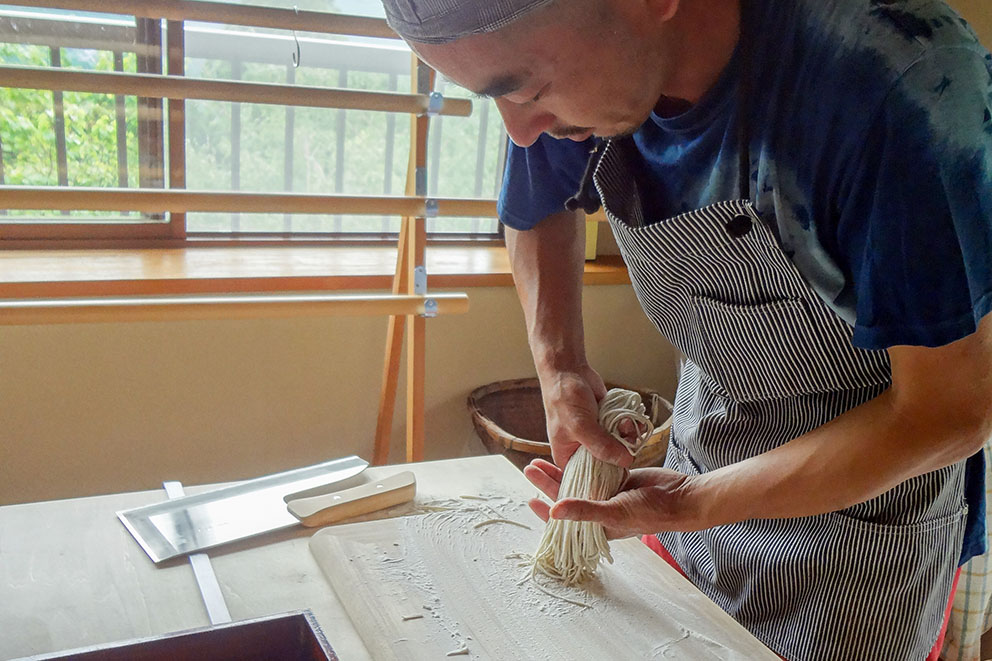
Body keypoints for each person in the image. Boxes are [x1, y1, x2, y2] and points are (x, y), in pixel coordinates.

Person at [380, 0, 992, 658]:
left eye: (524, 89)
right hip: (702, 450)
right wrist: (559, 366)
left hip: (862, 523)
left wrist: (692, 505)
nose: (521, 131)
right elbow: (535, 208)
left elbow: (950, 408)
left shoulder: (896, 85)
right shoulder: (569, 77)